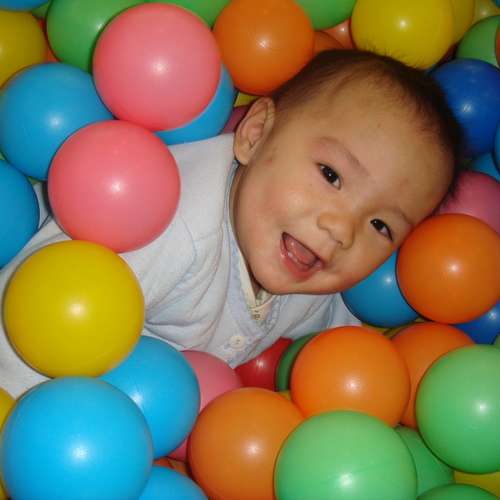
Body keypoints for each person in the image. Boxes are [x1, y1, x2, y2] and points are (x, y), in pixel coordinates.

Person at [0, 50, 462, 398]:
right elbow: (35, 324)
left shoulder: (312, 274)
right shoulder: (168, 229)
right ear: (255, 134)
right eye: (330, 175)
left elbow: (341, 341)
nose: (343, 229)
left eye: (381, 225)